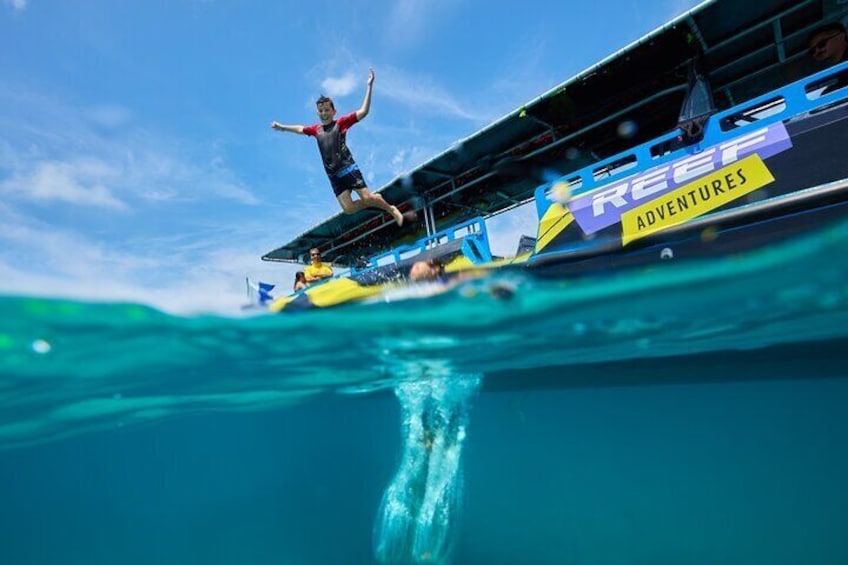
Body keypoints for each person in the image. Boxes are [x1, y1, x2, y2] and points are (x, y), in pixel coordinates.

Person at [271, 68, 405, 226]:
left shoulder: (340, 123)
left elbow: (364, 112)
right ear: (317, 113)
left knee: (367, 197)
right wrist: (282, 127)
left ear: (334, 111)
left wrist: (369, 86)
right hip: (333, 175)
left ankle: (391, 209)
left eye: (327, 110)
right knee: (348, 209)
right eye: (321, 111)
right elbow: (300, 128)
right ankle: (376, 200)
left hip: (347, 168)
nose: (324, 113)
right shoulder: (316, 130)